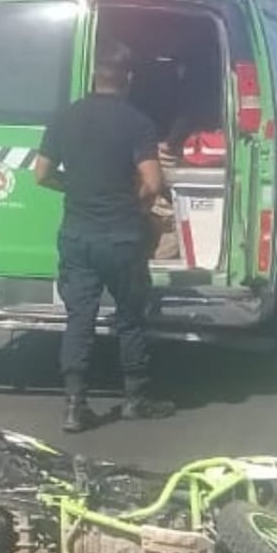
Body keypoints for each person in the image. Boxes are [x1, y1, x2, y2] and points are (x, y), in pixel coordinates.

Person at [35, 39, 176, 433]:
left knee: (80, 317)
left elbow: (41, 174)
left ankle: (74, 407)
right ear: (127, 79)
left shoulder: (65, 117)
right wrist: (132, 203)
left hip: (78, 235)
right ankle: (135, 399)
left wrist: (77, 188)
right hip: (121, 237)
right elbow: (153, 181)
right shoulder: (137, 122)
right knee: (131, 316)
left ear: (94, 77)